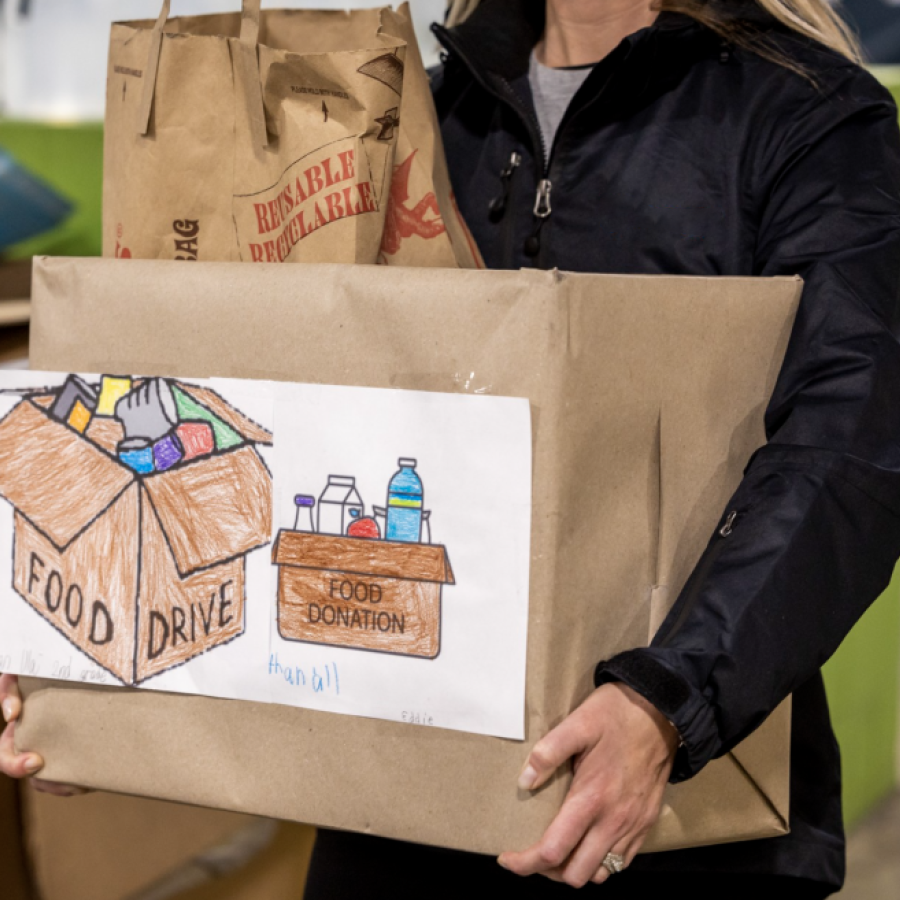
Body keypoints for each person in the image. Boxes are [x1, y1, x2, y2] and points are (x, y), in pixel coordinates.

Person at [4, 0, 900, 896]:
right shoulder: (410, 116)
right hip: (401, 815)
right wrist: (102, 683)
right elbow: (288, 437)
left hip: (671, 805)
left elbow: (850, 442)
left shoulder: (812, 117)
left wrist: (667, 703)